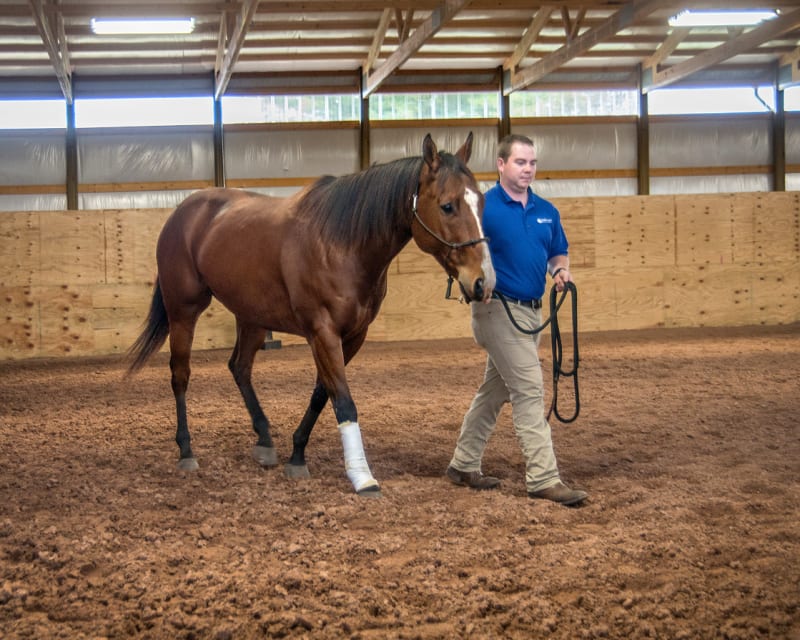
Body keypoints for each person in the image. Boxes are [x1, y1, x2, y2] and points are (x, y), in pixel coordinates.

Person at [445, 133, 588, 506]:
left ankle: (462, 463)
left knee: (494, 392)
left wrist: (559, 272)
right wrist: (469, 286)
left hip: (532, 312)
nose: (528, 169)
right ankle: (543, 477)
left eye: (533, 163)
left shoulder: (546, 210)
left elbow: (558, 252)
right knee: (528, 389)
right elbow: (461, 249)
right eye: (521, 162)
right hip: (496, 309)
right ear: (501, 164)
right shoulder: (484, 207)